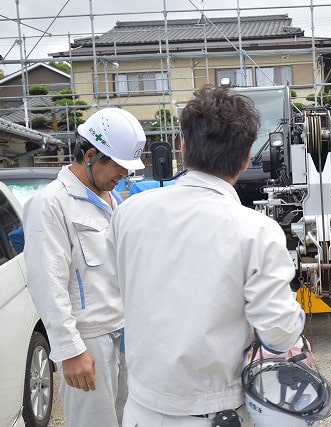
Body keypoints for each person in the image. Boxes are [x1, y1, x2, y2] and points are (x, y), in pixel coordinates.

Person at [105, 85, 306, 426]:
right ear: (245, 159)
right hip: (214, 411)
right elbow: (279, 332)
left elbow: (116, 283)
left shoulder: (128, 213)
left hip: (142, 408)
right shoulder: (255, 230)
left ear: (183, 149)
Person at [23, 107, 147, 427]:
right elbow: (47, 283)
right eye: (118, 168)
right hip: (88, 340)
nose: (124, 176)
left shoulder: (110, 198)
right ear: (90, 154)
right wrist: (70, 350)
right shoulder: (51, 203)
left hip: (122, 333)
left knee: (130, 419)